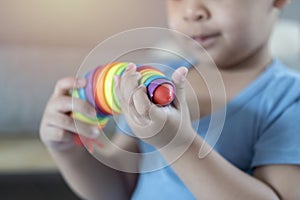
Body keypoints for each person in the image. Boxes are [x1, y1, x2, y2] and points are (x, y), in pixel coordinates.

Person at [39, 0, 300, 199]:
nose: (192, 10)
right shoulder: (155, 79)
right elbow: (120, 187)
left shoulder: (289, 99)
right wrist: (69, 151)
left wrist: (179, 145)